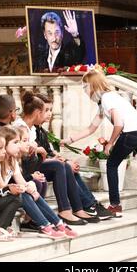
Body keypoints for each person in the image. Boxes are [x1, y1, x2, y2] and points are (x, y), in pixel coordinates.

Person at [61, 69, 137, 236]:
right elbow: (91, 128)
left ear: (93, 85)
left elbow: (119, 124)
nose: (84, 90)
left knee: (112, 164)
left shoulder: (107, 98)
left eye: (85, 86)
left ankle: (115, 205)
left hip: (132, 133)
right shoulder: (107, 100)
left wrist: (110, 143)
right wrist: (69, 140)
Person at [14, 91, 98, 225]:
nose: (49, 113)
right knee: (59, 166)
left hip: (33, 164)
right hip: (23, 168)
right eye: (45, 110)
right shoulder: (20, 127)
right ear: (37, 112)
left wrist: (47, 155)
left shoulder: (34, 130)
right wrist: (37, 150)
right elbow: (21, 154)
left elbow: (41, 154)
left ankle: (77, 208)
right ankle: (65, 210)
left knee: (63, 165)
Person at [34, 92, 113, 220]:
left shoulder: (42, 130)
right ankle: (83, 206)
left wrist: (66, 160)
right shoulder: (30, 130)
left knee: (70, 167)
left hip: (47, 164)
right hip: (36, 167)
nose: (50, 113)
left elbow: (49, 151)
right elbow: (37, 157)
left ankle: (89, 204)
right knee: (63, 167)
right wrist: (62, 162)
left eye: (51, 110)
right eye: (46, 110)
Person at [0, 126, 77, 239]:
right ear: (5, 144)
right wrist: (23, 188)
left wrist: (29, 187)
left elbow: (21, 180)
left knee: (33, 192)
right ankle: (45, 225)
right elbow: (1, 187)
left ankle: (58, 223)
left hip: (7, 195)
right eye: (16, 142)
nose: (19, 145)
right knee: (24, 194)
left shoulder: (12, 160)